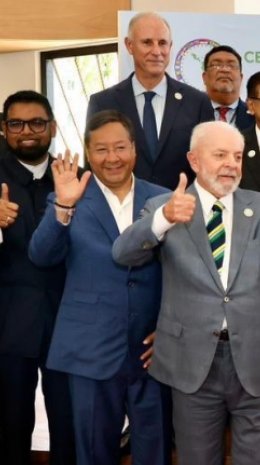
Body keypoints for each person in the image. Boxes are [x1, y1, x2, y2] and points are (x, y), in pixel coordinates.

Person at [112, 121, 260, 465]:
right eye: (220, 155)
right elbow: (123, 254)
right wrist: (164, 219)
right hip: (191, 362)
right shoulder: (164, 206)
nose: (231, 164)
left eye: (237, 156)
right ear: (194, 160)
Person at [28, 111, 171, 465]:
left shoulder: (164, 199)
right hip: (90, 348)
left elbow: (182, 273)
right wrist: (64, 206)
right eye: (102, 150)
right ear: (89, 154)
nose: (112, 158)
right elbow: (41, 256)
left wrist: (170, 328)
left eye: (120, 147)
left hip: (152, 349)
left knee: (155, 448)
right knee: (93, 450)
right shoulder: (71, 197)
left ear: (134, 149)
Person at [0, 90, 76, 465]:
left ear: (53, 127)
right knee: (9, 425)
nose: (27, 131)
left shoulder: (75, 177)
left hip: (68, 319)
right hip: (8, 322)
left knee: (69, 422)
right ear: (4, 129)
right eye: (16, 124)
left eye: (37, 123)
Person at [86, 11, 213, 190]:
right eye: (147, 42)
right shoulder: (103, 102)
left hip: (183, 204)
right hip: (123, 205)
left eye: (162, 43)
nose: (156, 52)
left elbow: (209, 163)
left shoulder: (197, 102)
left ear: (170, 46)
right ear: (129, 45)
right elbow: (93, 163)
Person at [202, 45, 254, 131]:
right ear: (204, 77)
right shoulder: (188, 114)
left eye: (232, 66)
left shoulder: (257, 117)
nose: (225, 70)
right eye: (216, 65)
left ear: (241, 78)